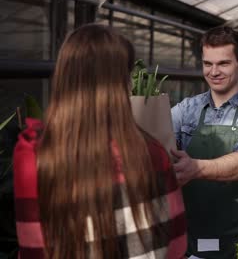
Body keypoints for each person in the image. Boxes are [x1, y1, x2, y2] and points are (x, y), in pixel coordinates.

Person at [13, 24, 186, 258]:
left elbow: (33, 249)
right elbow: (176, 246)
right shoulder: (151, 153)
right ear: (121, 84)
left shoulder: (35, 155)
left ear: (63, 77)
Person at [171, 26, 238, 258]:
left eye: (223, 64)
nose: (214, 71)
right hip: (191, 238)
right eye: (207, 64)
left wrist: (195, 168)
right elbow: (154, 137)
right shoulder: (186, 110)